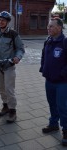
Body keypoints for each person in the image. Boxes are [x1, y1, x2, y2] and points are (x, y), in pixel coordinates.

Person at [0, 11, 25, 123]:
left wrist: (17, 57)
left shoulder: (13, 34)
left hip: (9, 65)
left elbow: (20, 48)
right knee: (1, 88)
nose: (0, 22)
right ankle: (5, 106)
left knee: (9, 89)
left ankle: (12, 111)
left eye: (3, 20)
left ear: (8, 22)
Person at [39, 17, 67, 146]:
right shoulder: (48, 41)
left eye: (51, 26)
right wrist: (43, 68)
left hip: (62, 82)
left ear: (59, 28)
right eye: (48, 26)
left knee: (63, 107)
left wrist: (62, 74)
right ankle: (53, 124)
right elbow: (44, 56)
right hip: (49, 80)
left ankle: (66, 131)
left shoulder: (65, 42)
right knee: (52, 104)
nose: (48, 28)